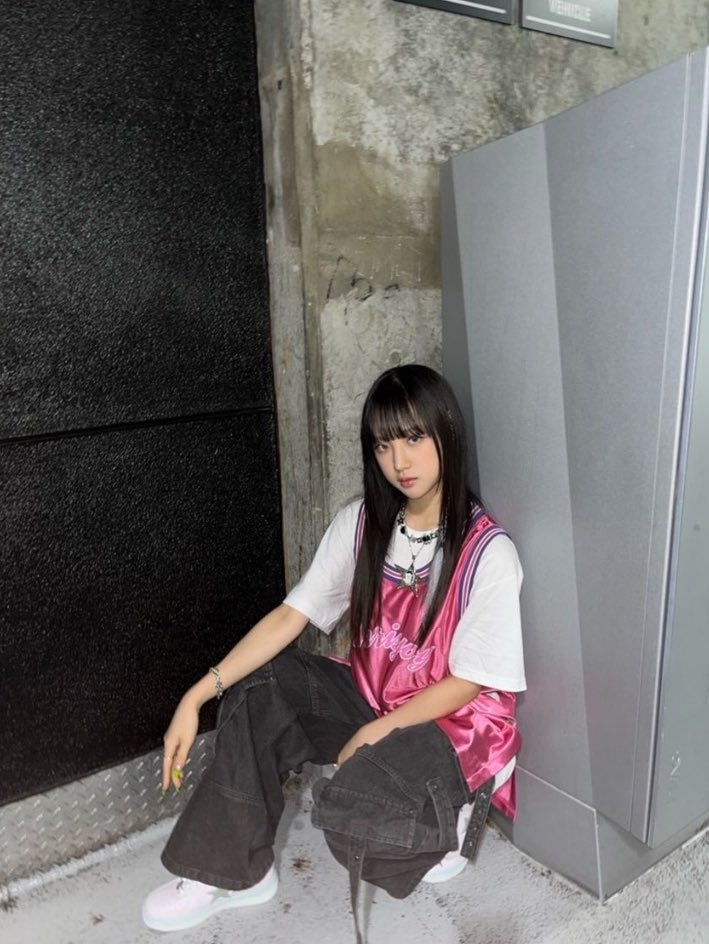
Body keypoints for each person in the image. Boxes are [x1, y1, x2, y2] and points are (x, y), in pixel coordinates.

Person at [141, 364, 525, 941]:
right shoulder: (364, 524)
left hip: (453, 725)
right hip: (377, 696)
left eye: (413, 437)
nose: (399, 461)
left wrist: (371, 735)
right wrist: (196, 696)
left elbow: (467, 684)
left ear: (447, 431)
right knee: (264, 686)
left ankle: (450, 815)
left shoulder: (486, 553)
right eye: (384, 444)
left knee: (352, 815)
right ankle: (236, 872)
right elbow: (290, 617)